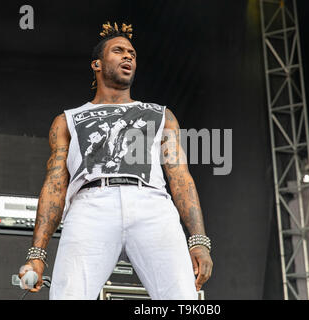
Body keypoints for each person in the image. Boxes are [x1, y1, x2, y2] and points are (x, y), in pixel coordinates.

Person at [18, 22, 213, 300]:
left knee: (182, 297)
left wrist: (198, 241)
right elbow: (55, 183)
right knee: (68, 295)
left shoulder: (161, 115)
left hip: (152, 205)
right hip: (90, 204)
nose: (128, 57)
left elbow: (180, 177)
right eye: (118, 51)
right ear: (96, 64)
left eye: (132, 54)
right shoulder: (67, 120)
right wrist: (37, 253)